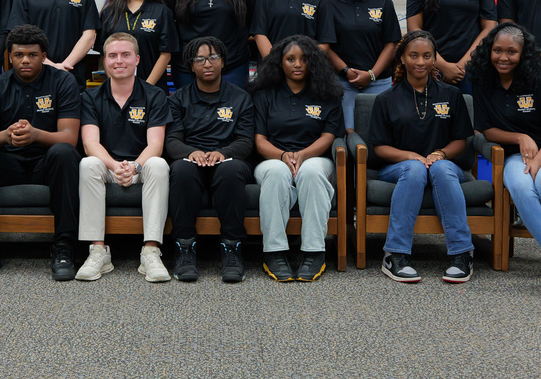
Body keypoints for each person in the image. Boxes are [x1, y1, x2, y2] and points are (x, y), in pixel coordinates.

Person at [0, 25, 81, 281]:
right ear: (9, 56)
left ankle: (64, 246)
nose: (25, 60)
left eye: (32, 54)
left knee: (64, 153)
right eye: (19, 55)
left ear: (43, 56)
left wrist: (36, 135)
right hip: (8, 163)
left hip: (47, 162)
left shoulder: (63, 82)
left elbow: (69, 137)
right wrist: (7, 135)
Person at [467, 23, 541, 300]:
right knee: (522, 188)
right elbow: (486, 129)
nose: (503, 57)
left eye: (511, 51)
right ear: (489, 51)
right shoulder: (483, 80)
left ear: (523, 54)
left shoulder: (537, 78)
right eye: (497, 50)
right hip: (514, 155)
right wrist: (520, 137)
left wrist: (539, 160)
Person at [369, 30, 475, 284]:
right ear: (402, 58)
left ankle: (462, 254)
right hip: (398, 167)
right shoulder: (386, 99)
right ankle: (395, 254)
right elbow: (379, 148)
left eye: (427, 56)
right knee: (416, 169)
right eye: (413, 55)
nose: (420, 62)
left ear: (435, 58)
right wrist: (411, 156)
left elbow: (461, 140)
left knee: (439, 169)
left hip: (444, 165)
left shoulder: (451, 95)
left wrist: (440, 154)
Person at [76, 33, 172, 283]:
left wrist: (135, 166)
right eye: (113, 55)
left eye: (126, 55)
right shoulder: (90, 97)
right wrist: (115, 166)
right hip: (109, 167)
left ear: (137, 59)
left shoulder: (155, 95)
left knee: (159, 164)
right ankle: (98, 251)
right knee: (88, 163)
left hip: (141, 166)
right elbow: (90, 143)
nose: (119, 61)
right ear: (104, 61)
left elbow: (156, 144)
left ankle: (151, 251)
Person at [251, 34, 342, 283]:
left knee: (311, 171)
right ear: (280, 63)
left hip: (315, 158)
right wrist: (282, 156)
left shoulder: (327, 93)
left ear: (313, 62)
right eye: (290, 59)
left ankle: (314, 252)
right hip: (272, 158)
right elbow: (259, 141)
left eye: (304, 59)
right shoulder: (264, 94)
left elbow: (329, 135)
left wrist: (302, 155)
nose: (298, 64)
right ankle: (275, 252)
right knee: (277, 172)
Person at [167, 36, 255, 283]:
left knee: (230, 171)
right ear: (191, 66)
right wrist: (190, 152)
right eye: (200, 59)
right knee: (181, 170)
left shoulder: (241, 98)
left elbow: (246, 141)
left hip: (229, 160)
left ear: (223, 62)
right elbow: (171, 140)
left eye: (214, 57)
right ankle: (184, 248)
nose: (208, 64)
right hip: (191, 159)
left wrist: (223, 153)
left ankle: (232, 249)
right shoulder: (177, 99)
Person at [326, 0, 401, 131]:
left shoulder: (384, 3)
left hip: (379, 82)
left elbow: (391, 44)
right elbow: (326, 46)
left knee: (379, 133)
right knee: (346, 134)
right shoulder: (330, 5)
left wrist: (372, 74)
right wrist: (346, 72)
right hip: (343, 83)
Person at [98, 0, 177, 93]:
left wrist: (146, 88)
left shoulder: (162, 12)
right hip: (118, 91)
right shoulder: (109, 12)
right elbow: (104, 54)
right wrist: (115, 85)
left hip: (153, 89)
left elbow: (166, 54)